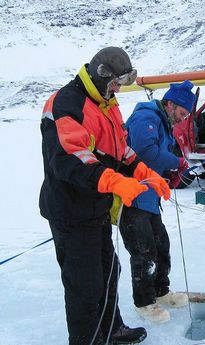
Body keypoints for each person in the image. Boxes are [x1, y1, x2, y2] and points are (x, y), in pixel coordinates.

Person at [39, 46, 170, 345]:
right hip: (70, 211)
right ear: (101, 75)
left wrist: (144, 172)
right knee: (85, 286)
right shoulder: (67, 103)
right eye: (114, 84)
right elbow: (71, 158)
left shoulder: (106, 103)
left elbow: (120, 148)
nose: (117, 90)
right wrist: (113, 181)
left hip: (95, 208)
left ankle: (112, 329)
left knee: (109, 272)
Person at [119, 80, 196, 323]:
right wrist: (177, 163)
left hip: (150, 197)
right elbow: (145, 151)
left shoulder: (164, 123)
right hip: (133, 198)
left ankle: (161, 292)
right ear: (170, 104)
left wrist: (168, 174)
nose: (183, 119)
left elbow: (156, 160)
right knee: (144, 252)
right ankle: (144, 303)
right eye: (182, 113)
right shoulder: (146, 118)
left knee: (161, 245)